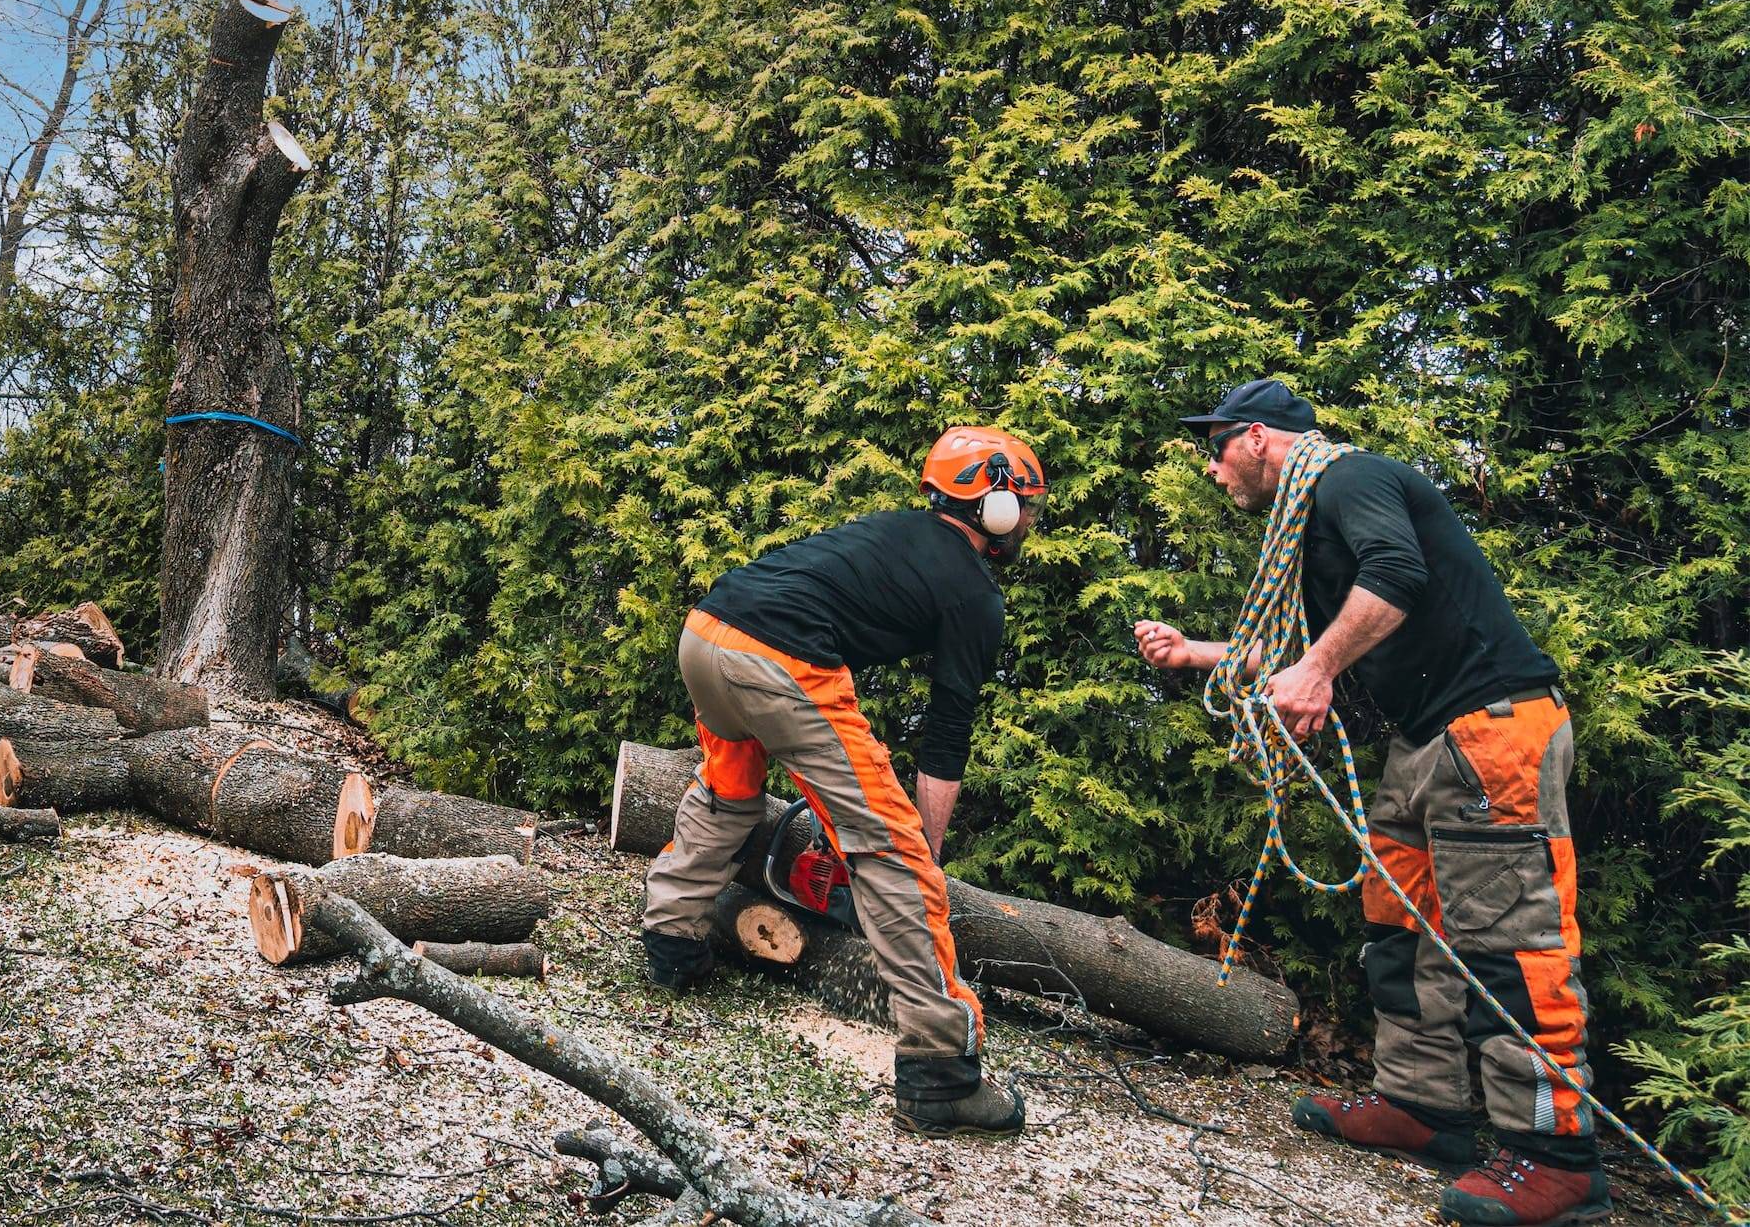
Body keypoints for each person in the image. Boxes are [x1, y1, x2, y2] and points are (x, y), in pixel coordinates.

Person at [1136, 377, 1600, 1227]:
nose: (1212, 469)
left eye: (1216, 448)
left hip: (1493, 729)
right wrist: (1195, 653)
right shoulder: (1314, 518)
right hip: (1427, 741)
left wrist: (1318, 671)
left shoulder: (1350, 479)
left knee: (1510, 947)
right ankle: (1422, 1108)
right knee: (1397, 926)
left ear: (1257, 438)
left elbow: (1397, 573)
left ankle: (1558, 1159)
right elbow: (1289, 645)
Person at [639, 425, 1046, 1137]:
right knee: (892, 846)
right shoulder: (974, 593)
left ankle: (672, 939)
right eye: (1029, 508)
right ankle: (941, 1067)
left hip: (706, 633)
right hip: (777, 658)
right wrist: (921, 854)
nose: (1030, 524)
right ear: (999, 505)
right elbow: (945, 742)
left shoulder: (896, 531)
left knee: (728, 787)